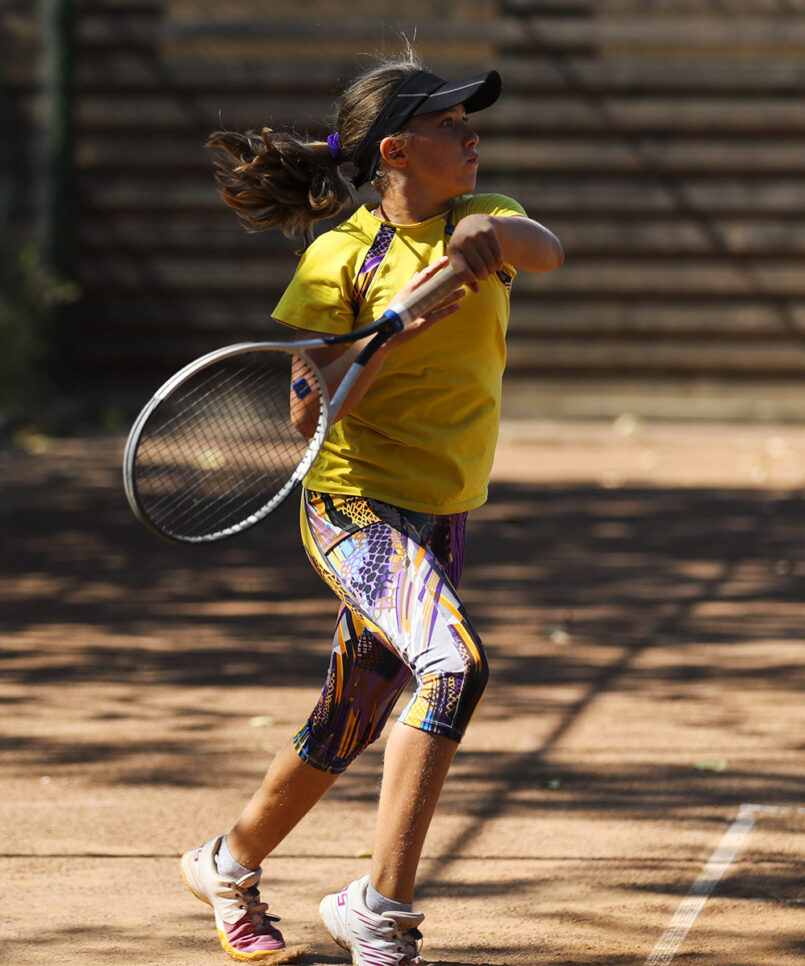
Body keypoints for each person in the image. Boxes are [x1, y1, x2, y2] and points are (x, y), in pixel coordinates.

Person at [180, 50, 563, 966]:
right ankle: (379, 912)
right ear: (395, 149)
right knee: (452, 665)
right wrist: (391, 332)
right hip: (352, 507)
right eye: (448, 123)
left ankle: (225, 863)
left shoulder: (486, 214)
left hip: (440, 511)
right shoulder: (340, 256)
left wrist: (484, 251)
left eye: (472, 120)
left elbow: (543, 250)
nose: (470, 134)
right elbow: (309, 411)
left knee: (348, 717)